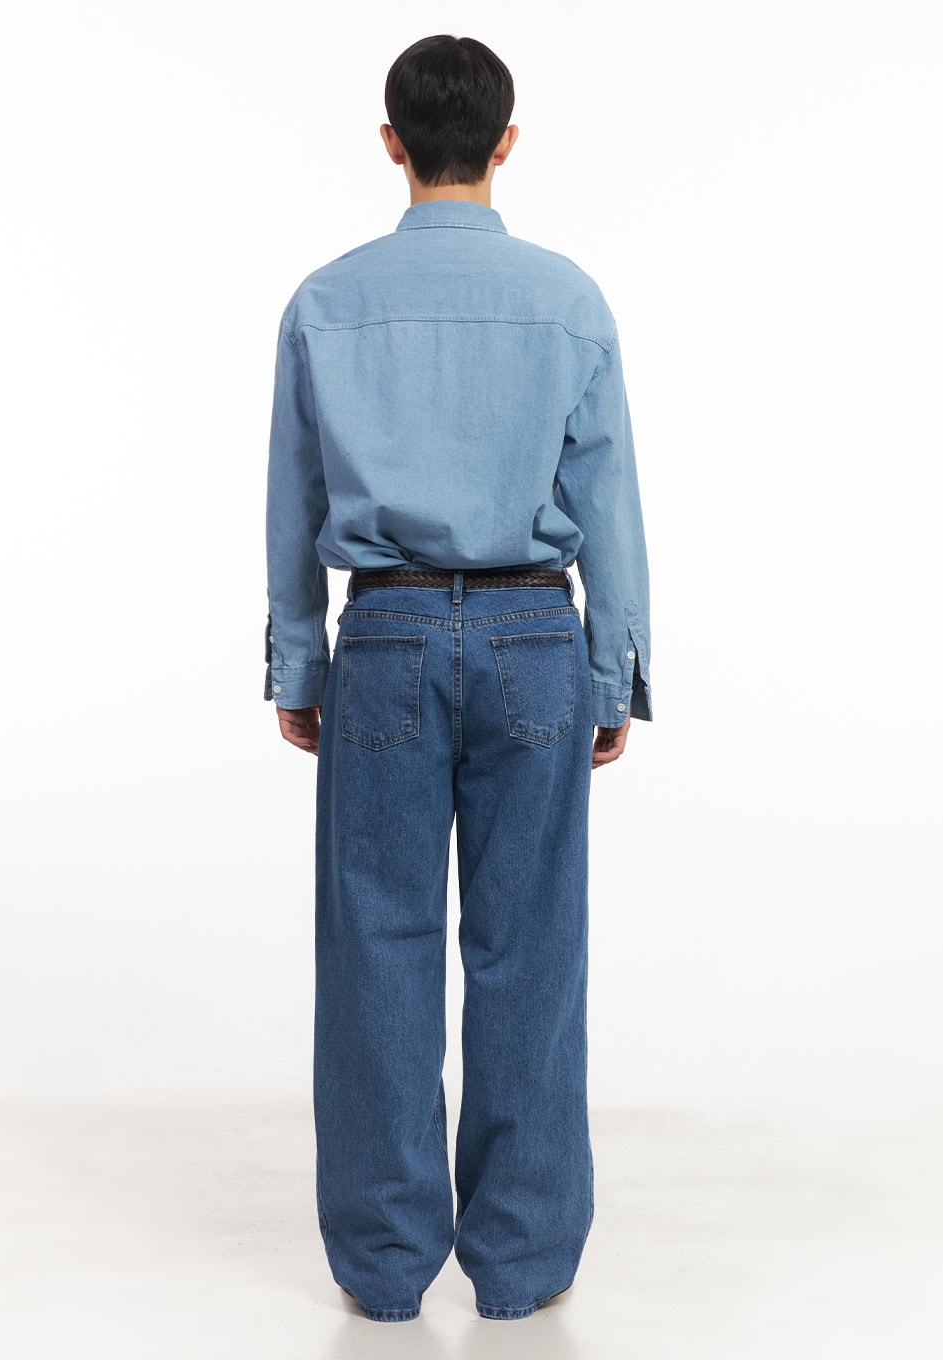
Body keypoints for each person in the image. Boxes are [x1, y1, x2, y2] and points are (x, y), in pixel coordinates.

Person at [263, 33, 653, 1323]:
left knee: (375, 945)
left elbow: (293, 499)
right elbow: (610, 501)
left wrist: (298, 660)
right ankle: (524, 1265)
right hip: (535, 635)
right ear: (506, 142)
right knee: (529, 947)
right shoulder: (568, 300)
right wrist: (612, 672)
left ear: (391, 143)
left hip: (382, 639)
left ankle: (383, 1267)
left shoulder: (326, 301)